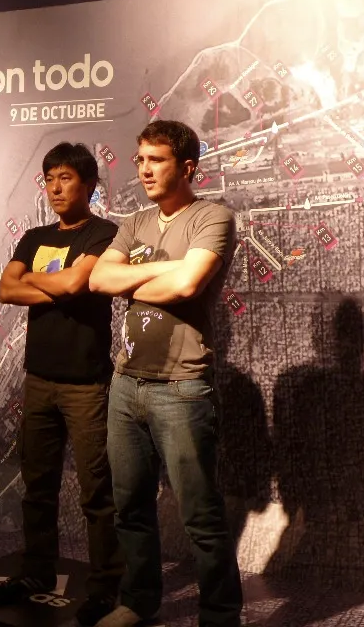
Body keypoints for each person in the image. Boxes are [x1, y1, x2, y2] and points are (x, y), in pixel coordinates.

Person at [89, 121, 243, 627]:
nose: (144, 170)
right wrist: (162, 270)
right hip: (126, 383)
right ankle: (138, 600)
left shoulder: (212, 217)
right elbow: (100, 279)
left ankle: (220, 616)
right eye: (140, 160)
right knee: (130, 507)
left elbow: (187, 286)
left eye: (156, 160)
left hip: (182, 387)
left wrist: (131, 282)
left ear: (187, 167)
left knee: (200, 515)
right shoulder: (134, 222)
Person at [0, 142, 124, 627]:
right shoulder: (33, 236)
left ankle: (105, 587)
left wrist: (38, 280)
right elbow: (6, 289)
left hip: (86, 384)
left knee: (96, 492)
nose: (55, 187)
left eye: (65, 178)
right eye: (49, 179)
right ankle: (36, 573)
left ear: (89, 185)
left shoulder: (103, 232)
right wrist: (61, 282)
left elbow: (74, 285)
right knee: (37, 487)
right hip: (38, 380)